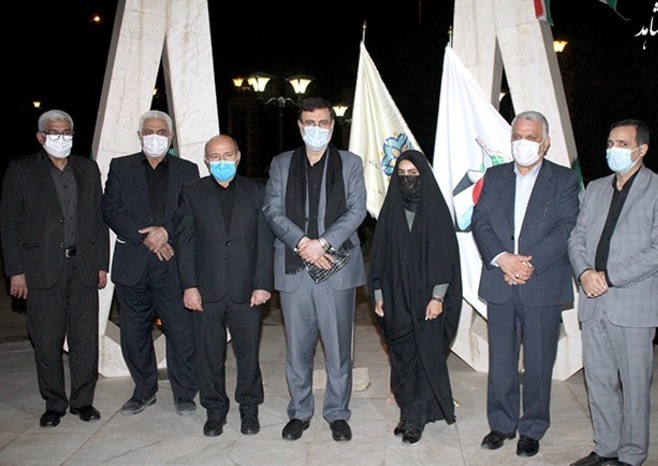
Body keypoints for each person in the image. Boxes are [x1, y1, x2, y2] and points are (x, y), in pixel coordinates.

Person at [568, 119, 658, 466]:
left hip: (634, 303)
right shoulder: (596, 188)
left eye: (621, 144)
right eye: (610, 143)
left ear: (641, 149)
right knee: (598, 380)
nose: (612, 150)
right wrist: (585, 273)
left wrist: (609, 277)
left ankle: (631, 455)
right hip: (593, 300)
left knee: (634, 385)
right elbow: (577, 237)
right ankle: (605, 447)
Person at [471, 110, 580, 457]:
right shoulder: (495, 176)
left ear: (545, 143)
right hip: (500, 281)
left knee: (538, 361)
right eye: (517, 136)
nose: (523, 143)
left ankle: (532, 427)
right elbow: (480, 222)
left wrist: (527, 265)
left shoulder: (563, 179)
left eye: (531, 137)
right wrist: (503, 259)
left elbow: (567, 227)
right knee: (501, 361)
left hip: (542, 284)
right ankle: (501, 424)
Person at [263, 97, 367, 442]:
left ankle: (337, 413)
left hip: (336, 267)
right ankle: (299, 411)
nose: (316, 129)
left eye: (323, 123)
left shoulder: (350, 163)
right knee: (297, 350)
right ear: (300, 126)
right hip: (294, 268)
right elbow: (272, 211)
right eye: (310, 123)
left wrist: (321, 244)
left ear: (332, 126)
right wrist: (301, 243)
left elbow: (357, 211)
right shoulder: (281, 164)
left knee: (339, 350)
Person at [0, 109, 109, 427]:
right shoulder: (21, 169)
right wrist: (16, 271)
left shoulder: (87, 169)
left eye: (67, 132)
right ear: (41, 136)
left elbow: (98, 219)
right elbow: (9, 222)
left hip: (84, 266)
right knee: (46, 340)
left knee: (85, 339)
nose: (61, 138)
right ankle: (54, 402)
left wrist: (101, 263)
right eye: (54, 132)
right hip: (42, 269)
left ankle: (83, 401)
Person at [173, 135, 274, 437]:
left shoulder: (257, 191)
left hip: (247, 290)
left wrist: (263, 284)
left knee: (248, 355)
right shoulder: (192, 192)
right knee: (210, 356)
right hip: (206, 291)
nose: (221, 161)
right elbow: (185, 243)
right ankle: (215, 411)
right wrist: (189, 286)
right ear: (206, 160)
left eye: (227, 155)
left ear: (238, 157)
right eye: (215, 157)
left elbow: (265, 241)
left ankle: (249, 409)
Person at [101, 110, 199, 417]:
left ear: (170, 137)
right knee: (134, 334)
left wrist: (165, 231)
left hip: (172, 265)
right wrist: (147, 237)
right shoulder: (121, 166)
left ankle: (185, 393)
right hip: (133, 264)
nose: (155, 137)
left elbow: (189, 210)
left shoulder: (187, 170)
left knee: (181, 332)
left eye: (161, 132)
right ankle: (144, 391)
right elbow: (110, 208)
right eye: (149, 131)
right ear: (140, 136)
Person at [369, 150, 462, 446]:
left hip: (427, 301)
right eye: (401, 175)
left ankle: (416, 417)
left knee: (425, 356)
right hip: (396, 298)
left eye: (413, 174)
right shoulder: (391, 212)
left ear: (424, 176)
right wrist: (379, 295)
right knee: (403, 358)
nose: (407, 180)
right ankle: (409, 411)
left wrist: (438, 297)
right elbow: (380, 258)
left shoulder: (435, 211)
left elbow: (445, 258)